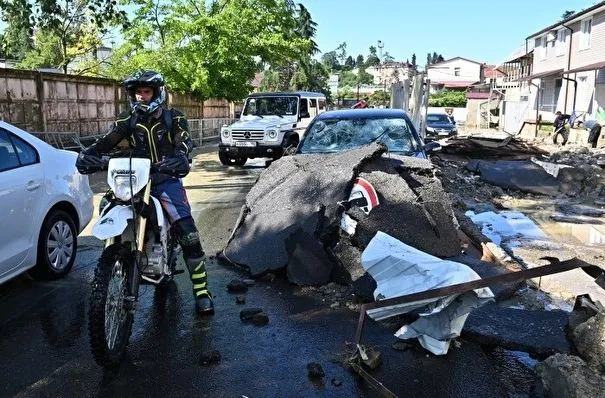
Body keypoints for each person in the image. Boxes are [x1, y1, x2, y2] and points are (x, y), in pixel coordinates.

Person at [75, 70, 214, 315]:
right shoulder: (127, 119)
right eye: (137, 91)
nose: (141, 96)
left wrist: (181, 157)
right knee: (107, 205)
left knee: (188, 233)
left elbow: (184, 141)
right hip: (133, 179)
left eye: (146, 91)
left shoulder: (174, 118)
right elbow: (108, 139)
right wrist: (90, 154)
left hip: (164, 179)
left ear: (158, 93)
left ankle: (202, 291)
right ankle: (115, 257)